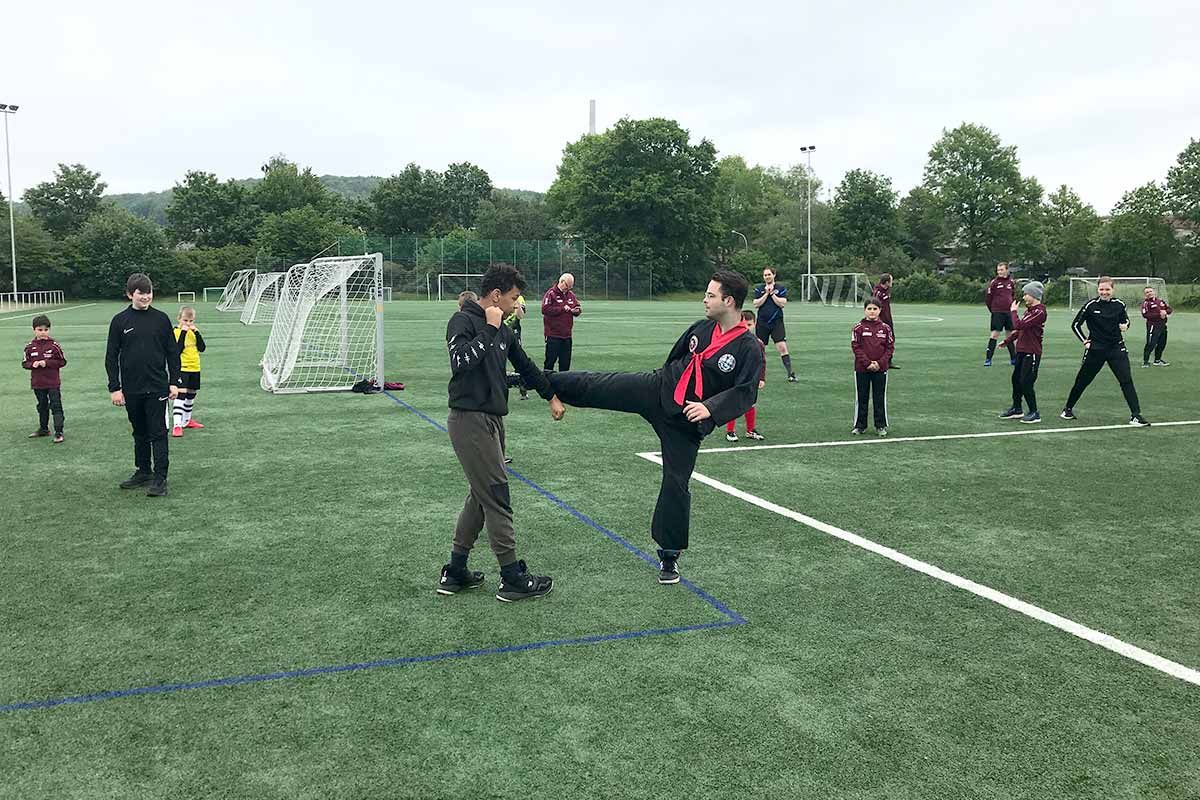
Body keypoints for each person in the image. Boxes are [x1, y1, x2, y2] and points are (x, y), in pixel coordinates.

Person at [547, 270, 763, 585]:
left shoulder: (748, 347)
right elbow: (676, 357)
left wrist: (710, 408)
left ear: (729, 301)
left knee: (676, 484)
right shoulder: (701, 328)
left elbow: (746, 392)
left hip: (685, 423)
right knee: (601, 384)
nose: (704, 300)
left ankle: (669, 555)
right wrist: (662, 381)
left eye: (711, 295)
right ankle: (537, 380)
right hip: (658, 391)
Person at [441, 264, 566, 602]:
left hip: (493, 420)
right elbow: (461, 362)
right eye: (513, 298)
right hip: (469, 420)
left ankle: (455, 570)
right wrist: (491, 327)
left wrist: (551, 396)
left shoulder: (505, 331)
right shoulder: (463, 321)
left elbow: (526, 366)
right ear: (496, 296)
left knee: (480, 496)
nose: (516, 305)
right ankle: (512, 577)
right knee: (496, 495)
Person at [105, 273, 183, 497]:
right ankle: (143, 471)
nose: (146, 297)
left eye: (149, 293)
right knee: (139, 432)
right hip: (132, 388)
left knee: (158, 433)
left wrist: (174, 381)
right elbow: (111, 356)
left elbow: (172, 353)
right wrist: (115, 388)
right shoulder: (119, 321)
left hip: (157, 387)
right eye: (141, 293)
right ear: (130, 294)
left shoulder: (161, 319)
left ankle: (160, 479)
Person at [1061, 276, 1150, 427]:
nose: (1104, 292)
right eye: (1101, 289)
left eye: (1107, 289)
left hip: (1117, 348)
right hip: (1096, 350)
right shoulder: (1090, 305)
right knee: (1083, 380)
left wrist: (1126, 325)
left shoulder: (1120, 305)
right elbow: (1075, 325)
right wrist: (1085, 341)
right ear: (1097, 290)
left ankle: (1136, 415)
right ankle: (1067, 409)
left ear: (1112, 290)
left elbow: (1125, 320)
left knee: (1126, 380)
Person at [998, 282, 1047, 424]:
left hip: (1031, 352)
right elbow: (1020, 331)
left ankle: (1034, 412)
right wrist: (1007, 341)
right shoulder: (1029, 311)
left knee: (1026, 382)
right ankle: (1017, 408)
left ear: (1034, 295)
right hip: (1021, 350)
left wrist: (1013, 312)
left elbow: (1019, 325)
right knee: (1016, 380)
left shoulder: (1039, 312)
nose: (1024, 297)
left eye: (1026, 294)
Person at [850, 297, 894, 436]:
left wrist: (880, 363)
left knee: (879, 397)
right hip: (862, 369)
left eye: (875, 309)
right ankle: (860, 426)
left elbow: (889, 348)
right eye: (869, 309)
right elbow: (856, 347)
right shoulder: (858, 328)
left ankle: (880, 426)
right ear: (865, 310)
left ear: (880, 310)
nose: (872, 311)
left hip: (880, 369)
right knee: (862, 397)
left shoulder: (885, 328)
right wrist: (868, 363)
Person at [22, 314, 68, 444]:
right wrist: (33, 364)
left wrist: (46, 363)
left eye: (46, 330)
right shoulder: (29, 347)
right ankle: (44, 429)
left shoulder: (54, 346)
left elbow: (62, 361)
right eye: (40, 330)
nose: (43, 332)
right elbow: (24, 363)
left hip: (53, 382)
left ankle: (59, 432)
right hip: (38, 383)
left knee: (56, 406)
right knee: (42, 406)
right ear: (34, 330)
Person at [725, 310, 766, 442]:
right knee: (733, 403)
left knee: (750, 404)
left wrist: (761, 378)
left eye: (750, 325)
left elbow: (762, 361)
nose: (747, 328)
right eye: (744, 324)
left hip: (751, 379)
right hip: (736, 378)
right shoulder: (733, 341)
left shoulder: (758, 343)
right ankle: (730, 431)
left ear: (754, 324)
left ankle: (750, 430)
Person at [752, 267, 796, 382]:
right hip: (762, 322)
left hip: (776, 322)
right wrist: (766, 294)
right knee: (759, 349)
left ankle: (790, 374)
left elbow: (782, 303)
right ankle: (757, 375)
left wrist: (772, 294)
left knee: (782, 347)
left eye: (769, 274)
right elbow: (756, 304)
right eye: (765, 275)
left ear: (774, 275)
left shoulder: (780, 288)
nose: (767, 277)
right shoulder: (759, 289)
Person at [171, 306, 207, 437]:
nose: (188, 323)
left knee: (191, 394)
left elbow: (202, 348)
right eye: (185, 320)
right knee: (181, 394)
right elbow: (177, 350)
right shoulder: (175, 332)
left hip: (195, 367)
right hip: (182, 367)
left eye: (191, 321)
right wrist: (184, 332)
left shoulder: (193, 332)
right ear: (179, 319)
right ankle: (177, 425)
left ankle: (186, 420)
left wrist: (196, 332)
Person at [542, 272, 581, 371]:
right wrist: (562, 309)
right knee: (550, 362)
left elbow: (577, 307)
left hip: (567, 336)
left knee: (565, 363)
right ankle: (547, 381)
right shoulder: (551, 294)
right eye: (567, 286)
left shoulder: (571, 295)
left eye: (570, 287)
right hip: (553, 335)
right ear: (562, 282)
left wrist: (576, 311)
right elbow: (545, 309)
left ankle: (564, 381)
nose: (568, 289)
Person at [984, 262, 1017, 367]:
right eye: (998, 270)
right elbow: (988, 299)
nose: (1000, 272)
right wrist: (993, 310)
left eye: (1002, 270)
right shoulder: (994, 283)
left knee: (1010, 335)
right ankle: (988, 359)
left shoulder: (1011, 282)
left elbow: (1013, 295)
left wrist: (1012, 308)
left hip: (1009, 312)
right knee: (994, 334)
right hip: (997, 312)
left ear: (1007, 270)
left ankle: (1013, 359)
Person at [1140, 286, 1172, 367]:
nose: (1149, 293)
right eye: (1147, 292)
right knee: (1151, 344)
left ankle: (1157, 360)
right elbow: (1145, 314)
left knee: (1162, 343)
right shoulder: (1146, 303)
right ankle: (1145, 362)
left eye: (1150, 291)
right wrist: (1159, 314)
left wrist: (1165, 312)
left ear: (1154, 292)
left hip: (1163, 326)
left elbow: (1169, 309)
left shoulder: (1160, 301)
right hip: (1153, 326)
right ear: (1145, 295)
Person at [505, 292, 529, 400]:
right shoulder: (500, 296)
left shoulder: (519, 298)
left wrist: (518, 304)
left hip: (514, 331)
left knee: (519, 360)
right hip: (499, 331)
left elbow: (520, 316)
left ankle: (523, 389)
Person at [872, 273, 899, 368]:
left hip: (888, 320)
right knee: (880, 340)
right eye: (891, 280)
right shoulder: (878, 292)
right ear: (887, 282)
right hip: (880, 321)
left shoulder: (886, 290)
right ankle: (880, 361)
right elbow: (875, 306)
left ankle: (888, 361)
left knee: (890, 340)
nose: (892, 282)